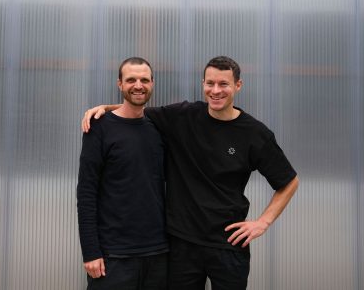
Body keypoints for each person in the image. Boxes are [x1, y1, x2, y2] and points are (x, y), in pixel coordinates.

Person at [81, 56, 299, 290]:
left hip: (228, 246)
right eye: (210, 83)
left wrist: (262, 223)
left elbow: (288, 181)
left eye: (223, 84)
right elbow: (136, 106)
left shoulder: (255, 134)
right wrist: (104, 108)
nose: (216, 91)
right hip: (181, 247)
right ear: (203, 84)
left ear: (238, 85)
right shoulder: (183, 116)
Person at [77, 57, 168, 290]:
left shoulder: (160, 128)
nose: (138, 85)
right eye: (131, 80)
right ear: (119, 84)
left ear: (152, 83)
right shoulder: (99, 127)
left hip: (159, 254)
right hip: (113, 257)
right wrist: (90, 252)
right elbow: (87, 193)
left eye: (144, 80)